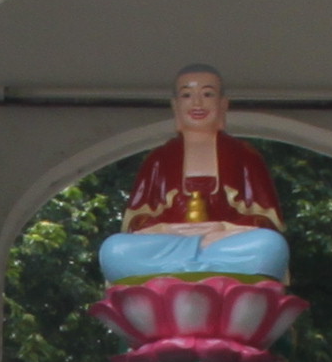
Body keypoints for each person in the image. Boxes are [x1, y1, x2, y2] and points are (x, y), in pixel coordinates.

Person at [95, 66, 290, 284]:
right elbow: (136, 225)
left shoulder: (245, 156)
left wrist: (222, 229)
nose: (197, 103)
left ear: (223, 104)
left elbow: (267, 223)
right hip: (169, 245)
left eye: (207, 94)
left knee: (270, 245)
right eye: (187, 95)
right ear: (175, 105)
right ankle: (203, 271)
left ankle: (184, 273)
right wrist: (169, 230)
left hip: (222, 245)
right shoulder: (159, 159)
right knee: (115, 250)